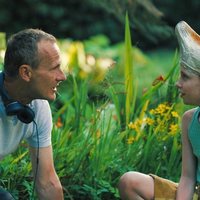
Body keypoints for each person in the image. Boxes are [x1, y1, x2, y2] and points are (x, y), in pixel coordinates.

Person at [118, 21, 200, 200]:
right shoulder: (189, 120)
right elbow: (187, 177)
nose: (177, 83)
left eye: (185, 76)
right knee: (129, 182)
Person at [0, 28, 66, 199]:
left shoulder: (38, 107)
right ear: (26, 73)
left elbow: (47, 183)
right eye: (55, 68)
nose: (62, 76)